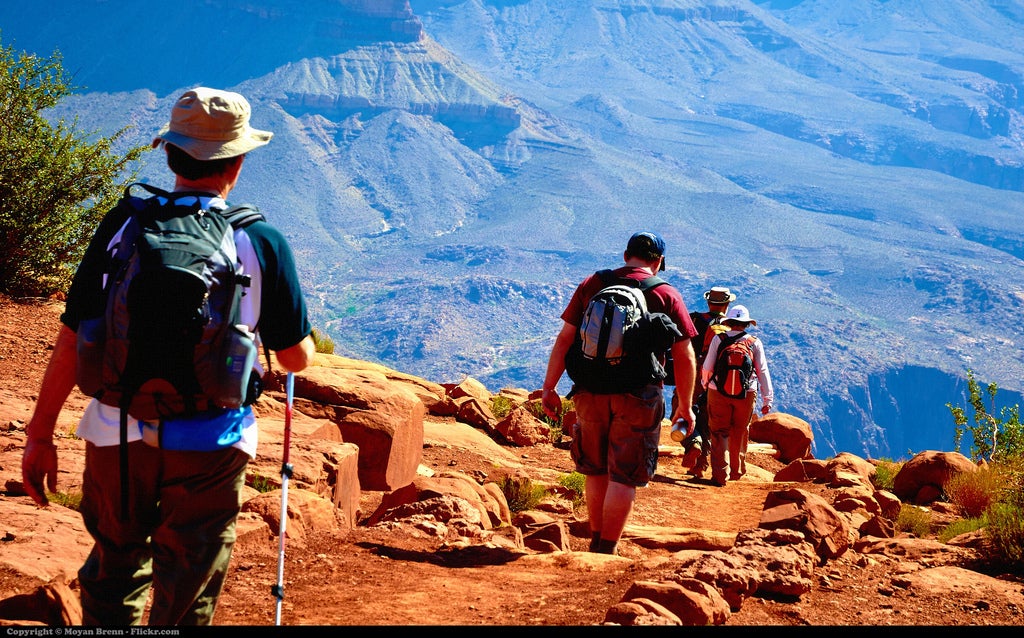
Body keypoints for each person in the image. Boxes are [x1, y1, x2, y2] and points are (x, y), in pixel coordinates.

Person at [20, 87, 316, 625]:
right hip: (211, 441)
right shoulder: (261, 240)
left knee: (115, 567)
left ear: (169, 153)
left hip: (116, 432)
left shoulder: (122, 227)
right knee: (189, 581)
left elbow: (73, 335)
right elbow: (294, 358)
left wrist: (39, 434)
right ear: (238, 161)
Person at [541, 231, 697, 555]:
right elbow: (685, 355)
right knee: (624, 477)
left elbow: (565, 339)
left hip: (589, 390)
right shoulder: (666, 294)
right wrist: (685, 405)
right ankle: (607, 550)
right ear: (659, 262)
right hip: (637, 396)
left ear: (626, 255)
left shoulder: (593, 284)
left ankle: (596, 540)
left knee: (595, 469)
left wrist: (549, 388)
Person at [700, 304, 773, 487]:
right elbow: (762, 371)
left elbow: (708, 367)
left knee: (718, 433)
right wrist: (767, 399)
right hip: (746, 393)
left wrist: (706, 384)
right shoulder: (754, 342)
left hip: (718, 392)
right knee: (739, 430)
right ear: (746, 323)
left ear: (730, 322)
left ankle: (719, 475)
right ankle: (736, 471)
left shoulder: (719, 339)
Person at [677, 286, 735, 477]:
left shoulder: (694, 319)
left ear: (709, 302)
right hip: (720, 377)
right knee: (706, 418)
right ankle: (699, 466)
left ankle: (693, 442)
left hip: (693, 371)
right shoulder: (730, 326)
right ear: (726, 305)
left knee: (681, 410)